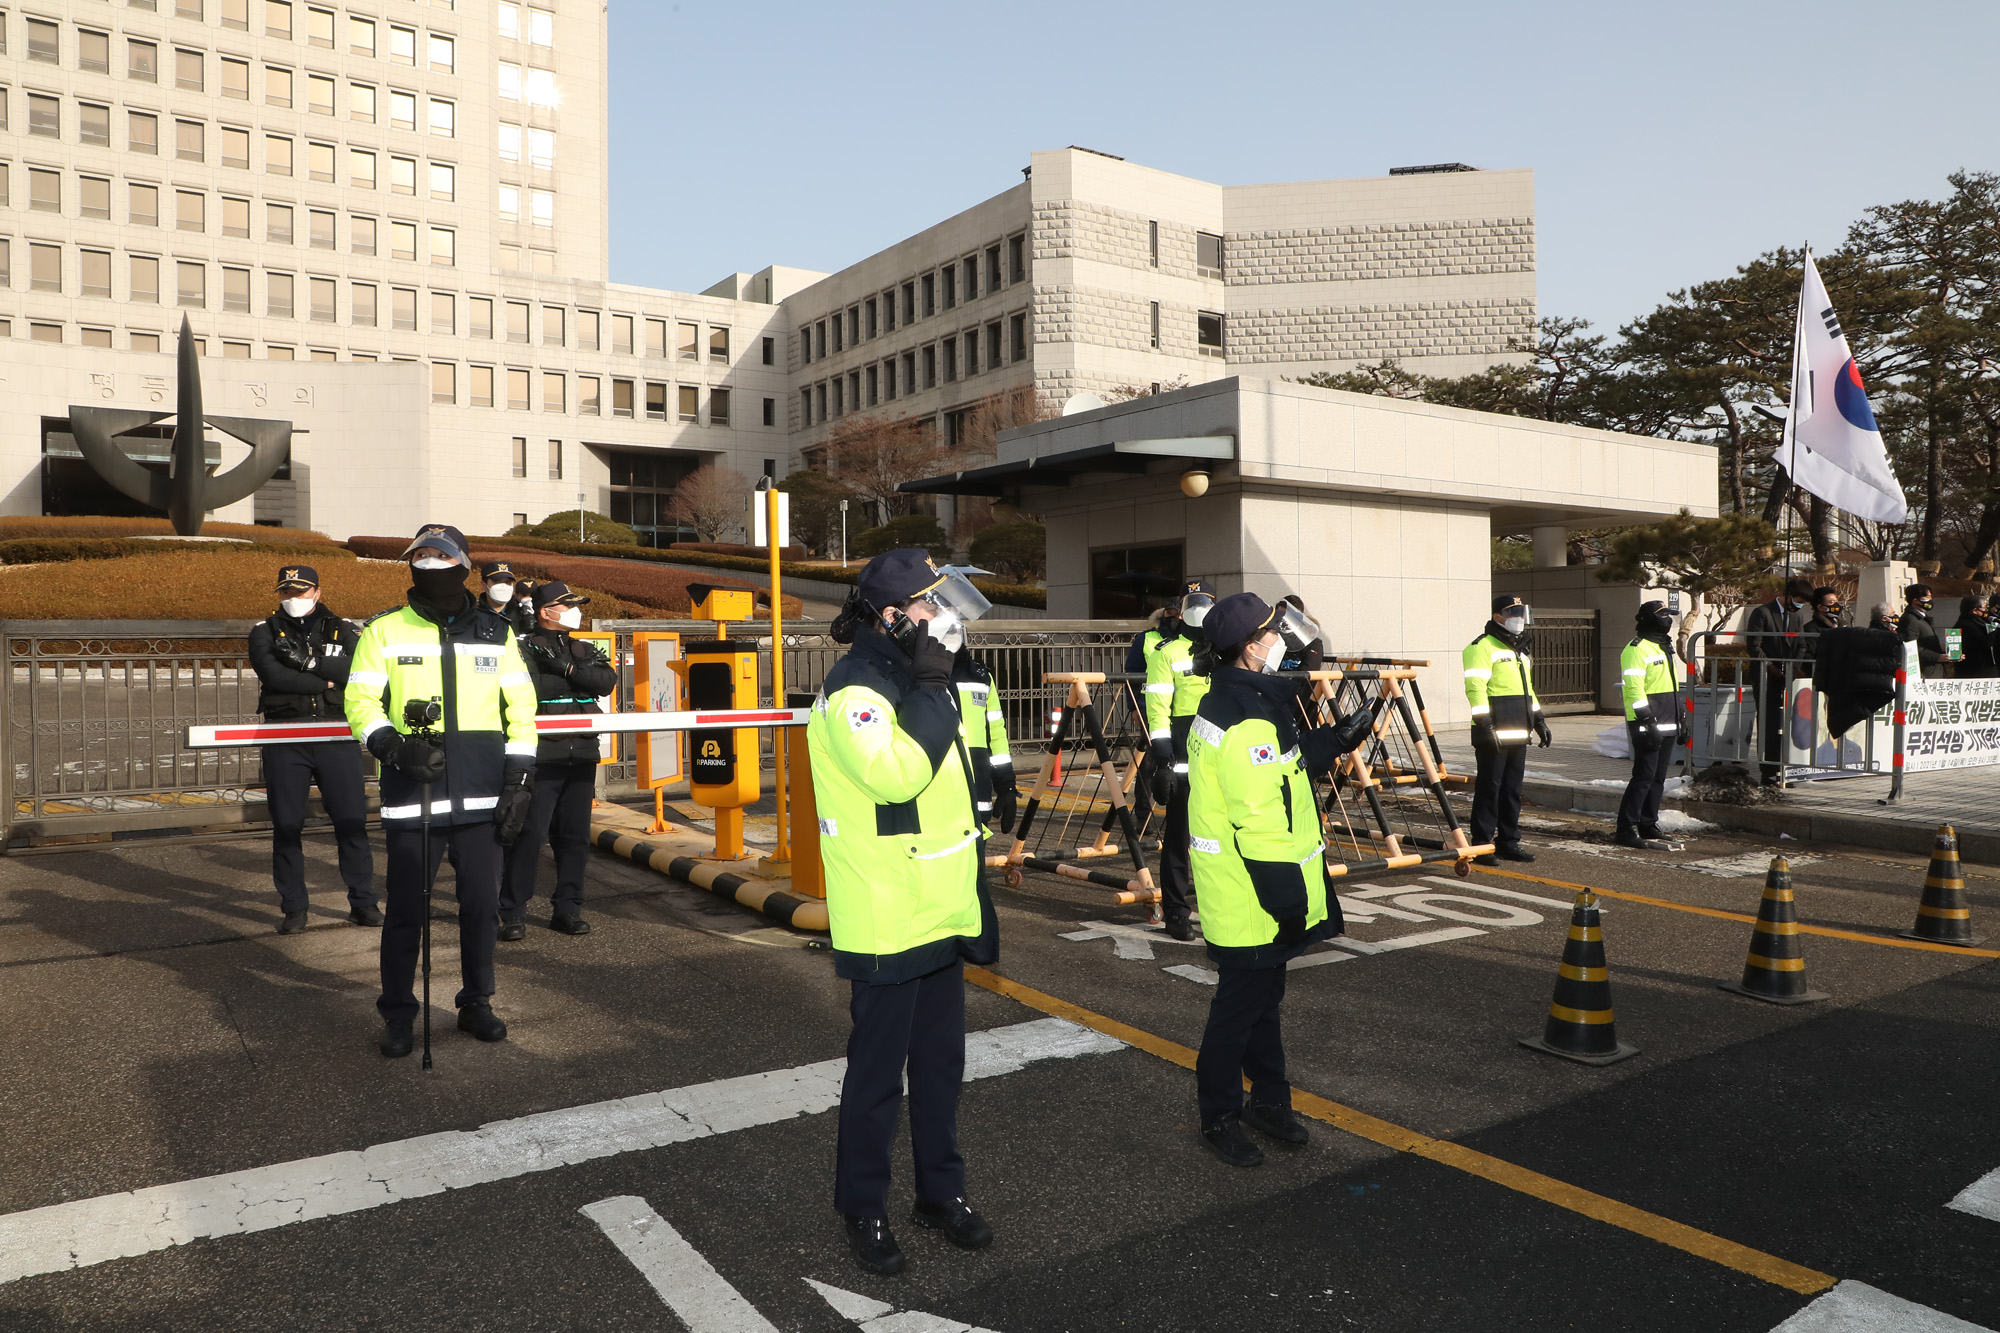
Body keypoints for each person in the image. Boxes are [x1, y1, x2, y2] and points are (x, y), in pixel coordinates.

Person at [807, 550, 998, 1276]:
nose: (944, 618)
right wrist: (928, 683)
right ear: (892, 616)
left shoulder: (922, 677)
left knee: (942, 1067)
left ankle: (940, 1193)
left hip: (940, 903)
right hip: (888, 911)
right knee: (878, 1077)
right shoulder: (858, 685)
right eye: (930, 605)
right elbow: (895, 777)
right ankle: (863, 1205)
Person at [1185, 593, 1374, 1168]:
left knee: (1263, 1004)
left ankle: (1267, 1101)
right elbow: (1261, 823)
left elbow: (1285, 768)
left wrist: (1336, 739)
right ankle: (1219, 1115)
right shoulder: (1245, 719)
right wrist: (1291, 905)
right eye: (1271, 634)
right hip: (1253, 896)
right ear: (1249, 649)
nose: (1281, 641)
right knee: (1238, 1011)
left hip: (1251, 891)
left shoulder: (1247, 703)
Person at [346, 523, 540, 1059]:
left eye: (441, 555)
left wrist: (520, 780)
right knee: (407, 908)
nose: (429, 563)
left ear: (463, 564)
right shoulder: (383, 631)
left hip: (481, 797)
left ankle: (477, 1001)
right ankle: (398, 1011)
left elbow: (521, 711)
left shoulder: (496, 632)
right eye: (421, 555)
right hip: (415, 793)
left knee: (481, 907)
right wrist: (390, 744)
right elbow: (360, 703)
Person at [248, 565, 378, 935]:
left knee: (351, 822)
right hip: (285, 737)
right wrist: (328, 680)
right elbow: (275, 677)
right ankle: (294, 907)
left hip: (336, 735)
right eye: (287, 592)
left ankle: (363, 902)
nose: (293, 599)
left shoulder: (344, 627)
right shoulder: (264, 631)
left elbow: (358, 669)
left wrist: (310, 663)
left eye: (301, 592)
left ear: (317, 593)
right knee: (287, 825)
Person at [499, 580, 619, 940]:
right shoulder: (522, 647)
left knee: (575, 837)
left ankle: (567, 909)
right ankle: (513, 912)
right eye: (566, 606)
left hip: (581, 751)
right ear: (545, 611)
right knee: (530, 834)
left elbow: (605, 681)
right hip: (543, 752)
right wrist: (576, 678)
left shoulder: (581, 646)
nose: (573, 611)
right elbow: (531, 689)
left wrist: (566, 670)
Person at [1144, 579, 1216, 941]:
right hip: (1185, 761)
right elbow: (1157, 712)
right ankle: (1175, 910)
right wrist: (1162, 762)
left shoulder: (1225, 651)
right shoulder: (1166, 652)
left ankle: (1219, 908)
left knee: (1220, 840)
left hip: (1222, 762)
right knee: (1178, 840)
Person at [1462, 595, 1550, 866]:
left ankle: (1509, 842)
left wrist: (1538, 720)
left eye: (1522, 613)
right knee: (1490, 789)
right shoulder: (1481, 647)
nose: (1519, 619)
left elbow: (1528, 691)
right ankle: (1481, 845)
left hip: (1518, 732)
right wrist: (1484, 724)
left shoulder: (1520, 649)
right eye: (1513, 613)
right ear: (1498, 616)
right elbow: (1475, 689)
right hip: (1494, 731)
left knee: (1512, 790)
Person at [1616, 601, 1682, 851]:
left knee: (1658, 778)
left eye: (1668, 614)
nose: (1667, 619)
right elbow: (1633, 689)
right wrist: (1647, 720)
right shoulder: (1636, 649)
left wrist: (1682, 719)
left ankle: (1648, 823)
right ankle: (1626, 827)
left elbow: (1672, 686)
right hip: (1647, 723)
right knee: (1643, 777)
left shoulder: (1663, 646)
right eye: (1661, 615)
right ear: (1645, 619)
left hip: (1667, 722)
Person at [1744, 577, 1812, 784]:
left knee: (1787, 723)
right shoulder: (1762, 613)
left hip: (1788, 677)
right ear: (1788, 595)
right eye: (1798, 601)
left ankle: (1785, 769)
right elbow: (1755, 646)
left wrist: (1793, 669)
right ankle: (1768, 771)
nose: (1799, 606)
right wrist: (1772, 669)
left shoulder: (1797, 616)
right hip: (1766, 677)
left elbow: (1801, 644)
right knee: (1769, 723)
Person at [1899, 584, 1947, 680]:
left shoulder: (1923, 618)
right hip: (1925, 674)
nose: (1930, 600)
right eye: (1927, 597)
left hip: (1934, 672)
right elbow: (1911, 647)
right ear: (1915, 600)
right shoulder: (1910, 620)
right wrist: (1938, 657)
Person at [1956, 593, 1996, 679]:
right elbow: (1984, 643)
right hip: (1974, 672)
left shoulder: (1979, 622)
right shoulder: (1965, 625)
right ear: (1975, 611)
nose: (1986, 610)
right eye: (1984, 607)